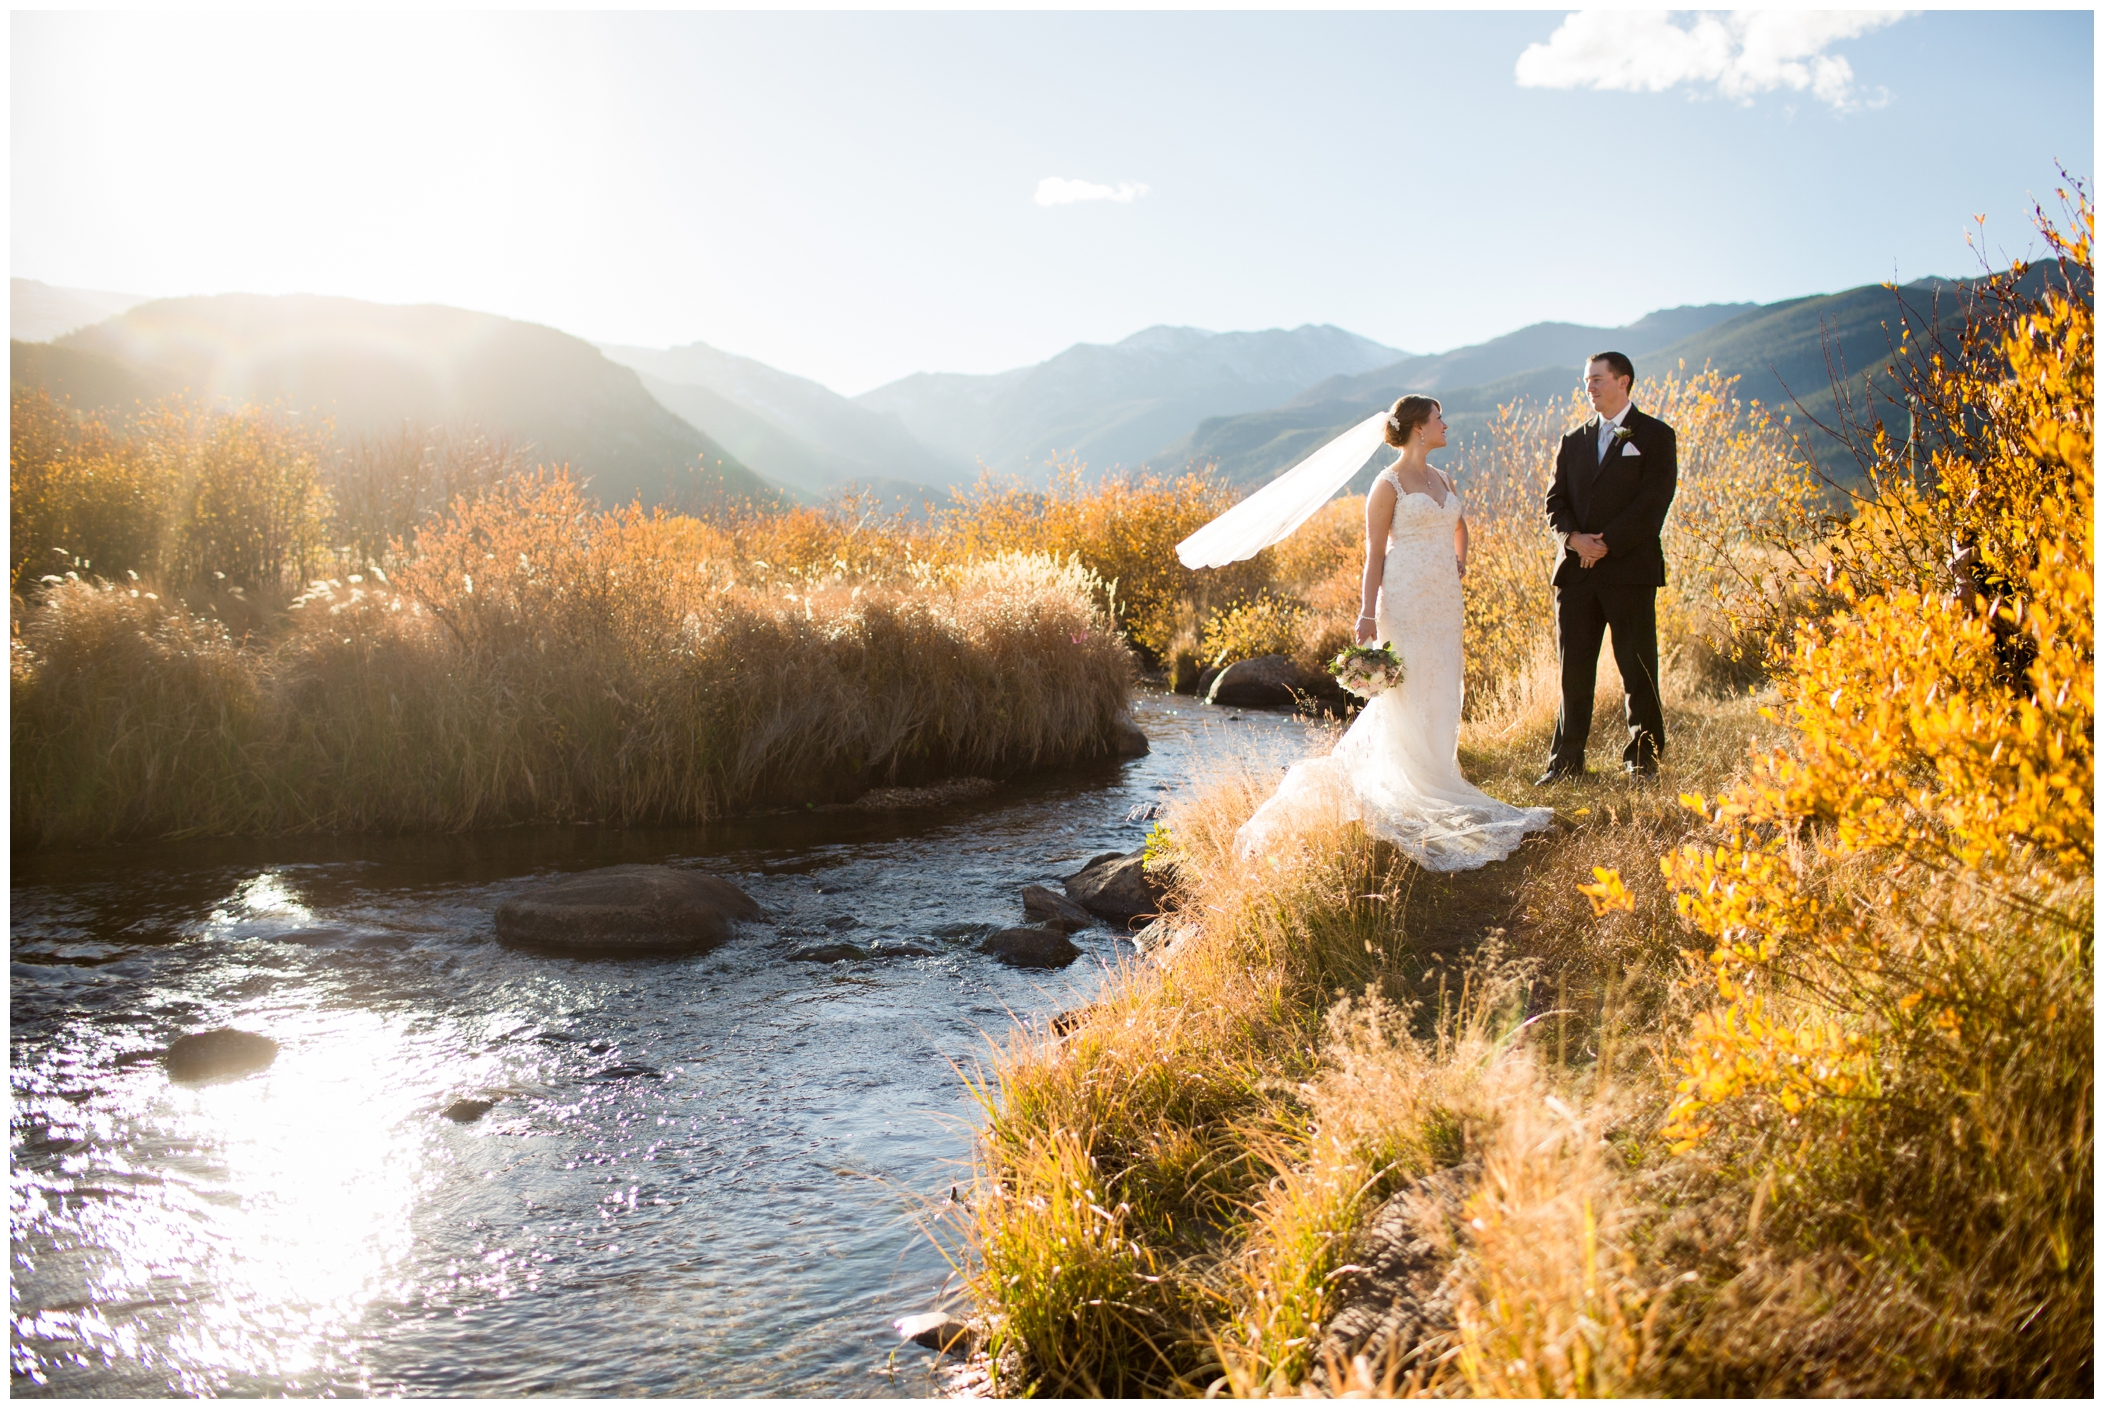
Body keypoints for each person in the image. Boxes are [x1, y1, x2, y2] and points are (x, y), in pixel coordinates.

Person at [1215, 395, 1554, 871]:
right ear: (1418, 428)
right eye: (1439, 418)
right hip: (1404, 599)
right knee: (1407, 688)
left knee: (1442, 685)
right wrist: (1366, 614)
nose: (1446, 424)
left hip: (1443, 601)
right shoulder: (1387, 483)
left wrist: (1461, 558)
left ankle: (1437, 770)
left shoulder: (1443, 478)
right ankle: (1408, 780)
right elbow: (1374, 554)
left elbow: (1461, 526)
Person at [1537, 352, 1678, 784]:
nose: (1590, 388)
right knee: (1573, 670)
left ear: (1624, 381)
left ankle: (1643, 761)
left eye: (1598, 380)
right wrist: (1573, 539)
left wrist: (1607, 544)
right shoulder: (1572, 440)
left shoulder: (1655, 435)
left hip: (1629, 571)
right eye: (1586, 381)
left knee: (1638, 669)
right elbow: (1554, 502)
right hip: (1576, 574)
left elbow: (1653, 503)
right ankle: (1565, 763)